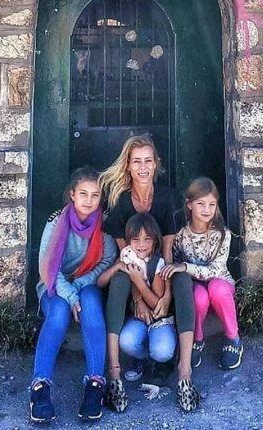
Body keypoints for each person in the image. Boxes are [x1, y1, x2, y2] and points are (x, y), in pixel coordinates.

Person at [99, 135, 200, 412]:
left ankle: (184, 372)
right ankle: (115, 374)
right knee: (120, 277)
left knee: (180, 277)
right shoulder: (120, 200)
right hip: (134, 276)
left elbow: (167, 253)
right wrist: (139, 297)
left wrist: (165, 294)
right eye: (136, 161)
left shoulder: (167, 197)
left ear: (156, 164)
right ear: (128, 166)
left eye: (148, 161)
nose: (142, 167)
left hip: (159, 271)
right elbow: (126, 257)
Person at [29, 167, 117, 423]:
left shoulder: (104, 223)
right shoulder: (56, 221)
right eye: (83, 194)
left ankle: (95, 385)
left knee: (91, 302)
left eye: (95, 195)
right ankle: (40, 388)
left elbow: (108, 259)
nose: (88, 200)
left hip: (85, 282)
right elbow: (47, 267)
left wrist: (79, 287)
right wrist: (69, 296)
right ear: (72, 195)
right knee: (57, 312)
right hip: (53, 284)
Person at [162, 177, 243, 370]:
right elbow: (174, 262)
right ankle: (196, 339)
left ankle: (233, 338)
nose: (206, 209)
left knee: (216, 289)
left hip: (220, 281)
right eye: (201, 204)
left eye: (211, 204)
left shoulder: (222, 234)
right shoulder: (180, 234)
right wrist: (180, 269)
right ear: (189, 205)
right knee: (198, 296)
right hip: (195, 284)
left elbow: (216, 270)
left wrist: (185, 267)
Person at [97, 213, 176, 383]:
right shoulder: (127, 254)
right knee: (126, 341)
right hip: (139, 318)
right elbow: (100, 282)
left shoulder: (157, 263)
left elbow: (157, 306)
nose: (141, 245)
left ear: (155, 241)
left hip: (158, 320)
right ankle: (143, 358)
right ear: (129, 240)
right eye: (135, 239)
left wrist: (138, 282)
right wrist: (117, 266)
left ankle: (161, 362)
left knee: (162, 351)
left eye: (147, 239)